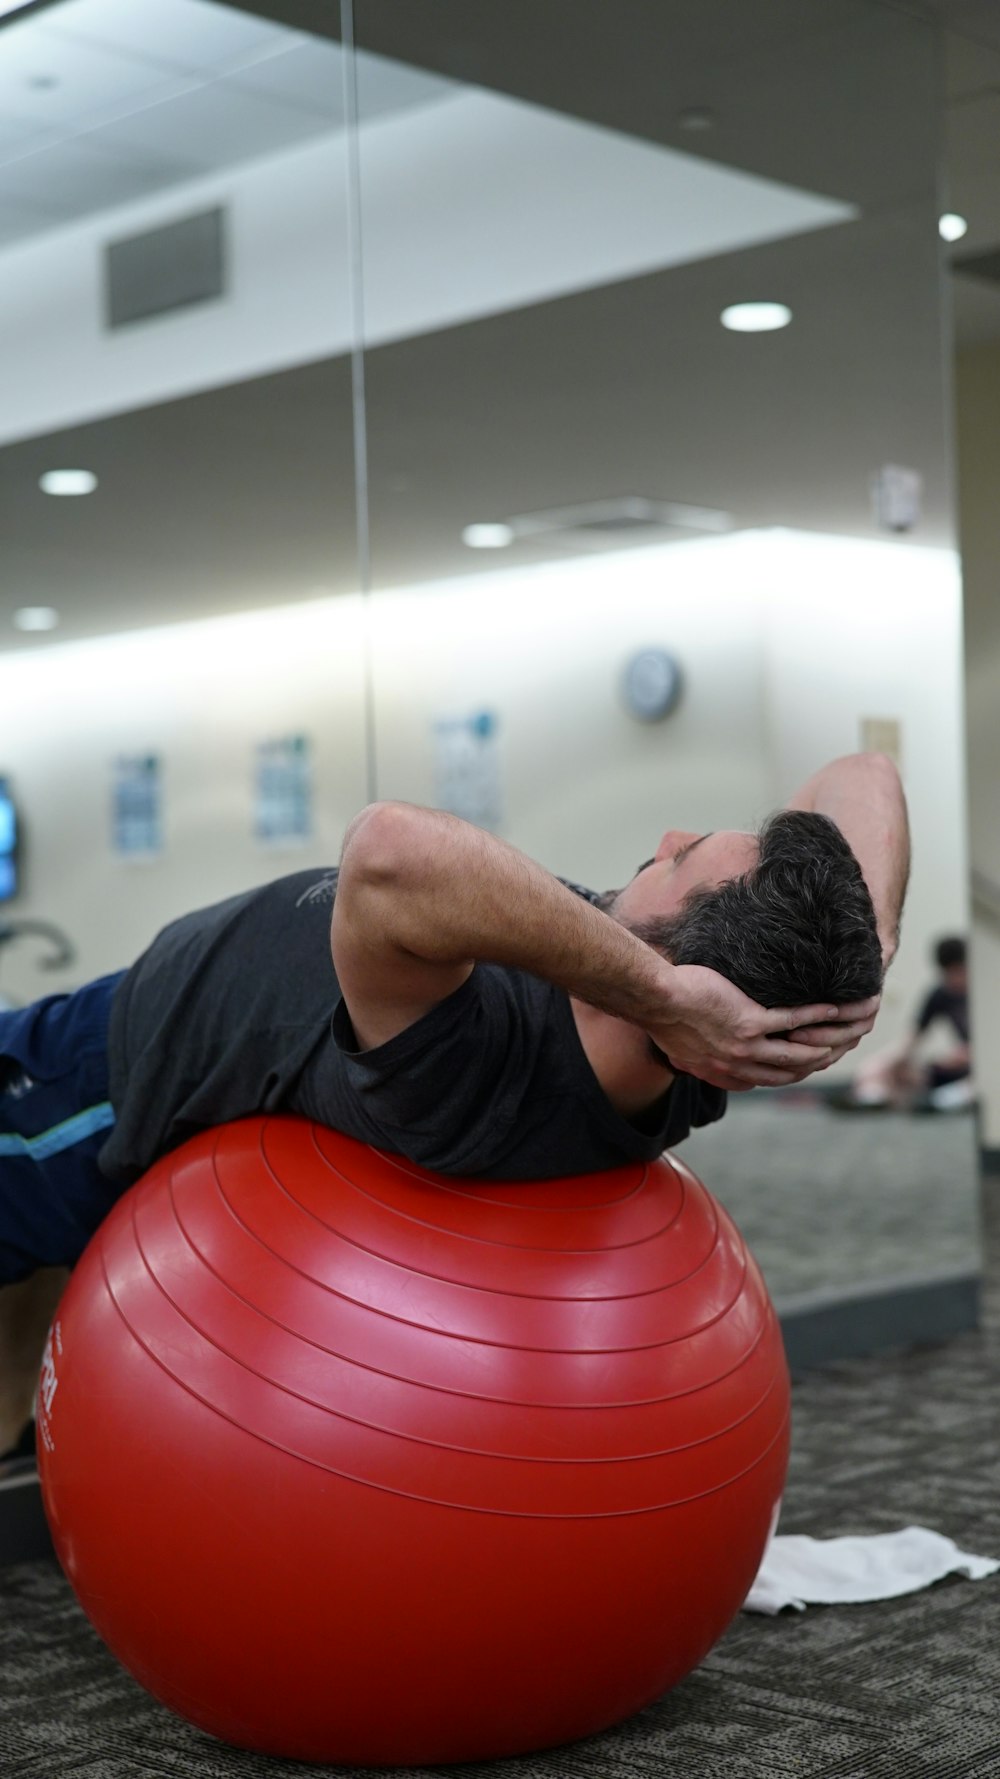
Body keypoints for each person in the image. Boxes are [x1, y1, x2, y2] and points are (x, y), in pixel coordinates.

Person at [0, 750, 907, 1461]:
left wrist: (661, 992)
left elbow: (390, 847)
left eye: (682, 858)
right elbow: (862, 775)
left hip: (110, 1072)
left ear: (684, 980)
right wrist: (868, 946)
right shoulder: (702, 1040)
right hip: (164, 1022)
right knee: (40, 1279)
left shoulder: (476, 1067)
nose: (667, 836)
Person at [835, 933, 971, 1112]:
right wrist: (882, 1064)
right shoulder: (940, 994)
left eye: (959, 971)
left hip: (981, 1070)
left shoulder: (986, 991)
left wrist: (968, 1054)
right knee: (886, 1068)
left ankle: (945, 1100)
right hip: (955, 1069)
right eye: (949, 973)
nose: (955, 979)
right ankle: (872, 1097)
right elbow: (912, 1038)